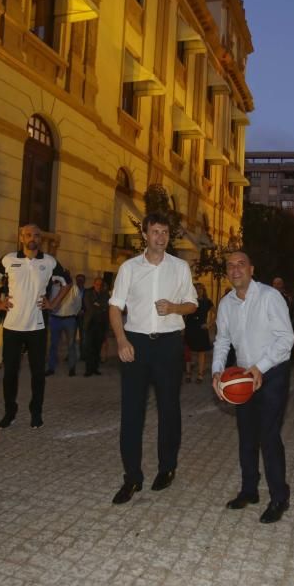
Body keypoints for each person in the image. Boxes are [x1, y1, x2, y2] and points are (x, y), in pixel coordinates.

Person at [107, 213, 197, 505]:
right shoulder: (129, 268)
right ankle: (132, 477)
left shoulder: (180, 268)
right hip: (136, 344)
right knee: (132, 412)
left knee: (169, 409)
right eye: (155, 231)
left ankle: (167, 467)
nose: (160, 237)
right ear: (144, 235)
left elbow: (192, 304)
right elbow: (114, 307)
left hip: (169, 345)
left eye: (165, 232)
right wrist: (121, 340)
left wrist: (173, 307)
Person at [212, 251, 294, 523]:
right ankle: (249, 490)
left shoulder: (270, 297)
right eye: (230, 266)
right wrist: (217, 372)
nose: (235, 270)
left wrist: (260, 367)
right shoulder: (226, 304)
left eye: (241, 264)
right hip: (243, 377)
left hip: (272, 372)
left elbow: (286, 339)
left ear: (251, 268)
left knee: (268, 436)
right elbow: (222, 341)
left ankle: (279, 497)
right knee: (246, 435)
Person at [0, 223, 70, 430]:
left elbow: (67, 282)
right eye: (28, 234)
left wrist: (53, 303)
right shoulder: (9, 259)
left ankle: (36, 413)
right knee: (10, 373)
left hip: (37, 326)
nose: (32, 237)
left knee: (37, 374)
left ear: (40, 239)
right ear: (21, 238)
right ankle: (10, 411)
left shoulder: (49, 261)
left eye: (36, 235)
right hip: (12, 326)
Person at [47, 271, 84, 377]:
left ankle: (72, 368)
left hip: (69, 320)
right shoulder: (53, 287)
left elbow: (78, 303)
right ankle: (51, 367)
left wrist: (73, 314)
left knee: (71, 345)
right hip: (55, 319)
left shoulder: (74, 288)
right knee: (53, 344)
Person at [184, 282, 214, 382]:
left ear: (203, 290)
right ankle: (188, 374)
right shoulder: (189, 301)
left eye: (200, 288)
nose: (198, 290)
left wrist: (209, 324)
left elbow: (217, 313)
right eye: (196, 288)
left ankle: (200, 375)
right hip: (189, 328)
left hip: (201, 329)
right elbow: (183, 315)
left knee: (201, 352)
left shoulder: (207, 301)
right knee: (188, 352)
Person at [82, 277, 109, 376]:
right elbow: (90, 307)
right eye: (97, 284)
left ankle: (95, 368)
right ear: (94, 284)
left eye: (101, 284)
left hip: (101, 325)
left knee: (97, 348)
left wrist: (99, 305)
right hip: (90, 324)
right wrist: (101, 307)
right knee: (89, 347)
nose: (99, 286)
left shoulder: (106, 295)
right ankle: (88, 370)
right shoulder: (88, 294)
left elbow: (107, 307)